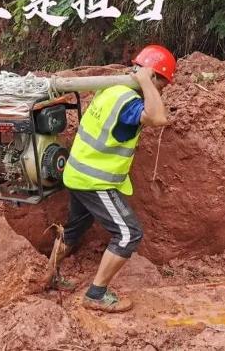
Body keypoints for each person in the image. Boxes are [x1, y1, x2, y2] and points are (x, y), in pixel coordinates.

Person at [46, 45, 176, 313]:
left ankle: (48, 277)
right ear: (152, 76)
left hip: (77, 173)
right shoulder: (128, 101)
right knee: (129, 234)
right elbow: (158, 117)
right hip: (94, 181)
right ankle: (96, 294)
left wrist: (144, 82)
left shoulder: (112, 90)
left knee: (73, 230)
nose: (162, 90)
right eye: (162, 83)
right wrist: (146, 84)